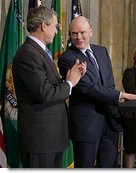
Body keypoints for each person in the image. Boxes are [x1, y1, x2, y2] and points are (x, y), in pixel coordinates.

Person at [57, 16, 136, 168]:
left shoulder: (101, 51)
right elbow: (88, 87)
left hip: (110, 122)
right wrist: (122, 95)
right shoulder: (67, 58)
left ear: (91, 31)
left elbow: (109, 83)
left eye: (82, 32)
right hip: (87, 125)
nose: (78, 37)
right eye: (74, 33)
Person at [12, 6, 86, 168]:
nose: (57, 31)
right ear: (44, 25)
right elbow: (44, 93)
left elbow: (46, 86)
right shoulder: (28, 54)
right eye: (55, 26)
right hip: (40, 140)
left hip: (50, 138)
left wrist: (68, 79)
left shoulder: (38, 51)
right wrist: (69, 83)